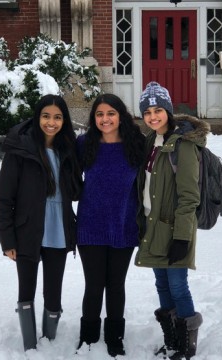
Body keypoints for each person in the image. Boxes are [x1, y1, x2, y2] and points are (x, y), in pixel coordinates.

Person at [0, 94, 82, 352]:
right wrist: (7, 240)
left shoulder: (67, 149)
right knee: (27, 289)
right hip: (27, 230)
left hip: (58, 228)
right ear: (37, 117)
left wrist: (74, 168)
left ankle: (50, 342)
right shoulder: (20, 150)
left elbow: (76, 192)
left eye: (57, 117)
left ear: (64, 121)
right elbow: (4, 198)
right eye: (46, 116)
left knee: (53, 292)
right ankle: (30, 346)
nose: (51, 122)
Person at [134, 82, 207, 360]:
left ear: (169, 110)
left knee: (178, 285)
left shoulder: (183, 146)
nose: (153, 116)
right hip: (152, 227)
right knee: (162, 285)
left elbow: (190, 196)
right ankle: (172, 341)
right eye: (148, 111)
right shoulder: (149, 141)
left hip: (176, 229)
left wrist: (182, 236)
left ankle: (186, 345)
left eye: (158, 110)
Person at [76, 93, 146, 357]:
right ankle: (88, 337)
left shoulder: (136, 144)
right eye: (99, 114)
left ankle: (115, 337)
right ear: (94, 118)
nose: (105, 119)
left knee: (116, 284)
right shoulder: (85, 144)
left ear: (121, 116)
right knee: (93, 284)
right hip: (90, 225)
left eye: (110, 114)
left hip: (123, 225)